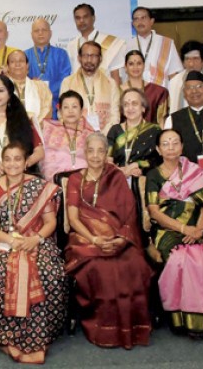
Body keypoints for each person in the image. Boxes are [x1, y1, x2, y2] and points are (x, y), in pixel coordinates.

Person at [145, 129, 203, 340]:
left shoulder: (196, 171)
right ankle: (187, 320)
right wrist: (184, 229)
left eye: (175, 143)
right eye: (165, 144)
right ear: (158, 149)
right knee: (183, 259)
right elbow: (154, 212)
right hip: (168, 230)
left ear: (182, 146)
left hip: (199, 227)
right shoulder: (153, 175)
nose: (170, 147)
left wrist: (198, 230)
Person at [0, 142, 64, 363]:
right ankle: (8, 335)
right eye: (7, 159)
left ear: (26, 163)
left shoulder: (39, 187)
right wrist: (12, 240)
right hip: (3, 241)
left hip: (37, 240)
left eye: (18, 159)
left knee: (48, 271)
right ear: (2, 162)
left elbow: (50, 222)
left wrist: (35, 239)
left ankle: (40, 335)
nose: (12, 164)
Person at [65, 133, 152, 349]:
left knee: (133, 264)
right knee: (103, 269)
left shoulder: (116, 177)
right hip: (85, 238)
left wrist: (121, 239)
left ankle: (131, 328)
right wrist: (94, 239)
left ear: (106, 154)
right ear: (85, 153)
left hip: (118, 237)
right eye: (91, 151)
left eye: (100, 151)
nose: (95, 156)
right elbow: (73, 219)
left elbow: (129, 214)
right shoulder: (75, 179)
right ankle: (104, 330)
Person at [107, 88, 162, 232]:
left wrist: (137, 165)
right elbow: (107, 160)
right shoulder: (115, 130)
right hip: (117, 179)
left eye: (134, 103)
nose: (130, 108)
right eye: (126, 104)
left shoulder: (154, 130)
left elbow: (158, 160)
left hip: (143, 179)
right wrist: (121, 171)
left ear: (143, 108)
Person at [60, 41, 120, 133]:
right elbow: (62, 113)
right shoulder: (68, 82)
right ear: (79, 58)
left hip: (104, 137)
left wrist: (102, 136)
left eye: (93, 56)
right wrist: (77, 135)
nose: (89, 60)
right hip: (75, 136)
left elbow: (115, 115)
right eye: (85, 56)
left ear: (100, 59)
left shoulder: (110, 83)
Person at [66, 3, 125, 83]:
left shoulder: (112, 43)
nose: (81, 21)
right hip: (78, 89)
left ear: (93, 18)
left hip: (105, 88)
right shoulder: (71, 45)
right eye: (78, 18)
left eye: (85, 17)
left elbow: (115, 75)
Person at [40, 90, 93, 181]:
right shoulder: (49, 129)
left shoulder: (89, 133)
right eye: (66, 107)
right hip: (57, 178)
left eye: (74, 107)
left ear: (81, 111)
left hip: (84, 178)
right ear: (60, 111)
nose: (70, 111)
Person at [125, 7, 183, 87]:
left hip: (160, 92)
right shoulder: (126, 45)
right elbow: (123, 75)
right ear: (133, 24)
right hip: (134, 91)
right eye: (136, 19)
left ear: (151, 21)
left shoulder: (167, 43)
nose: (140, 22)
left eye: (143, 18)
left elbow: (174, 74)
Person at [26, 18, 71, 118]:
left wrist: (45, 92)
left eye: (44, 30)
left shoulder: (61, 54)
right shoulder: (25, 55)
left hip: (56, 106)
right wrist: (32, 86)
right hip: (32, 107)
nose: (40, 33)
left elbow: (65, 80)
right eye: (37, 30)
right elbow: (21, 81)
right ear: (31, 34)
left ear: (50, 33)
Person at [168, 40, 203, 113]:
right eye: (187, 59)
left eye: (195, 59)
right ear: (183, 62)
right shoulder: (174, 82)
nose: (191, 64)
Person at [121, 50, 169, 126]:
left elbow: (162, 122)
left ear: (144, 66)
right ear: (125, 67)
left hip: (152, 132)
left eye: (139, 63)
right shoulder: (117, 91)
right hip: (123, 133)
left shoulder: (158, 92)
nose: (135, 67)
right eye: (131, 64)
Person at [6, 50, 54, 126]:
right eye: (12, 61)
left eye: (21, 61)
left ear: (27, 65)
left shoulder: (40, 86)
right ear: (7, 67)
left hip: (37, 129)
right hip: (8, 129)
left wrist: (33, 126)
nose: (17, 64)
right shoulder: (1, 88)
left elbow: (47, 110)